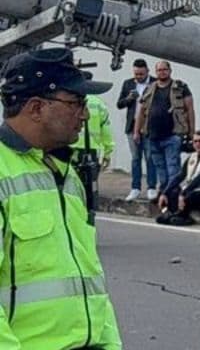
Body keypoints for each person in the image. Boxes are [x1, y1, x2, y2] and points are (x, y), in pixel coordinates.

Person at [0, 47, 123, 348]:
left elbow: (89, 275)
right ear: (36, 108)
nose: (85, 113)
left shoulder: (65, 172)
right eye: (75, 102)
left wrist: (109, 343)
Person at [134, 60, 195, 195]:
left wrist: (192, 132)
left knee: (172, 166)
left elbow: (190, 109)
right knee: (160, 167)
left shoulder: (180, 87)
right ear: (155, 72)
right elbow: (142, 111)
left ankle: (173, 192)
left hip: (173, 135)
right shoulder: (150, 88)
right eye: (159, 70)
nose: (162, 72)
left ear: (170, 71)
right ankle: (164, 192)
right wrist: (136, 132)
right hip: (153, 135)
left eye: (164, 70)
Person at [156, 129, 200, 226]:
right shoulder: (192, 157)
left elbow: (199, 178)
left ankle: (184, 217)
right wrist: (164, 192)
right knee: (165, 193)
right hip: (194, 189)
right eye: (195, 141)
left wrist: (184, 194)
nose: (198, 144)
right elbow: (180, 176)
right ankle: (168, 212)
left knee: (189, 197)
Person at [67, 93, 116, 217]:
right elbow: (105, 129)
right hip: (91, 149)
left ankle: (73, 206)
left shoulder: (71, 99)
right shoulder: (99, 104)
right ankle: (89, 208)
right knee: (90, 181)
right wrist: (108, 151)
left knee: (71, 179)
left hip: (72, 147)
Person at [116, 58, 157, 201]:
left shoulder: (155, 83)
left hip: (149, 127)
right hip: (132, 125)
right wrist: (129, 98)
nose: (138, 77)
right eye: (136, 74)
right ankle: (135, 188)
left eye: (141, 74)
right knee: (135, 158)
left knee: (150, 158)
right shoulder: (128, 84)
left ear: (147, 71)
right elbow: (119, 104)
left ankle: (151, 187)